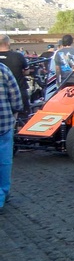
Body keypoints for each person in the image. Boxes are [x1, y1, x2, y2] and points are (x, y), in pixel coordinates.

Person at [0, 62, 23, 214]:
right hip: (3, 123)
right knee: (4, 162)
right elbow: (15, 97)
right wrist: (16, 114)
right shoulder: (2, 69)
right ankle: (2, 194)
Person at [0, 35, 30, 116]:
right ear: (8, 43)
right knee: (22, 118)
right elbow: (27, 72)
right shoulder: (18, 56)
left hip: (2, 95)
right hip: (19, 90)